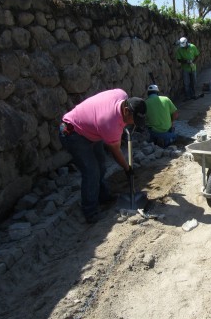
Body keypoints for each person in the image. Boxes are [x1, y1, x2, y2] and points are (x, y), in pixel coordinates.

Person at [59, 89, 146, 223]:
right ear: (126, 110)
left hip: (92, 129)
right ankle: (90, 212)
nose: (132, 124)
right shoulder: (110, 125)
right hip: (72, 132)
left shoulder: (121, 94)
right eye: (133, 120)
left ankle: (103, 196)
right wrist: (127, 169)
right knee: (91, 171)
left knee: (101, 164)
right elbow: (116, 152)